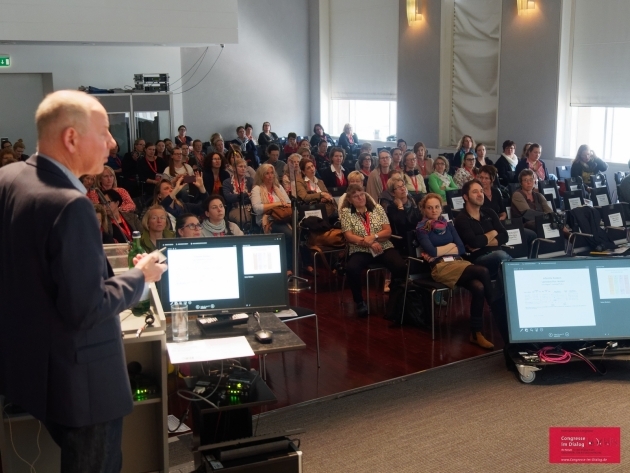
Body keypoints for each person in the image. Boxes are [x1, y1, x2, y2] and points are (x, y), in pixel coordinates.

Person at [0, 90, 167, 472]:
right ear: (71, 138)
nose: (112, 143)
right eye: (104, 131)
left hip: (32, 367)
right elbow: (86, 307)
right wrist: (141, 277)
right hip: (82, 380)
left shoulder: (9, 178)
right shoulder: (70, 204)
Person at [416, 193, 494, 349]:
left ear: (441, 208)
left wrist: (444, 249)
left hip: (458, 263)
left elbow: (460, 248)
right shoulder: (422, 228)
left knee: (479, 287)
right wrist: (450, 247)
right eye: (429, 208)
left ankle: (476, 333)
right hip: (440, 267)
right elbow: (432, 251)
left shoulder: (448, 224)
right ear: (424, 210)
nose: (434, 210)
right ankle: (497, 308)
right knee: (483, 271)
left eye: (437, 207)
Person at [340, 184, 407, 317]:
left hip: (383, 246)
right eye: (356, 196)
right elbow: (349, 236)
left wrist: (374, 237)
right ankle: (359, 302)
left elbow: (387, 231)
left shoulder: (377, 208)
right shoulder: (346, 212)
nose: (360, 198)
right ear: (350, 200)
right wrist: (369, 243)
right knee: (352, 268)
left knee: (400, 266)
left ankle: (395, 297)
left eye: (362, 194)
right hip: (360, 248)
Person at [454, 180, 512, 280]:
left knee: (501, 258)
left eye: (481, 191)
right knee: (501, 256)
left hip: (496, 253)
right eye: (475, 192)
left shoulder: (490, 212)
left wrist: (482, 243)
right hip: (476, 259)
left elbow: (505, 236)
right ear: (466, 197)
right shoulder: (461, 219)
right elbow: (474, 243)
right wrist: (494, 232)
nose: (480, 194)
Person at [251, 163, 293, 271]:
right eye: (267, 174)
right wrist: (277, 204)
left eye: (272, 173)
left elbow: (288, 203)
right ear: (261, 175)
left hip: (283, 217)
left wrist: (279, 205)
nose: (270, 176)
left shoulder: (278, 187)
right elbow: (257, 209)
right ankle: (288, 267)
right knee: (289, 234)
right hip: (267, 219)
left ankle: (302, 264)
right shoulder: (257, 189)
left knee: (301, 230)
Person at [385, 176, 422, 253]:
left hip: (420, 234)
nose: (403, 189)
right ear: (393, 193)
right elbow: (401, 223)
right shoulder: (391, 208)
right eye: (398, 187)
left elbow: (420, 219)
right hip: (405, 239)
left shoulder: (416, 201)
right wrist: (400, 206)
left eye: (403, 185)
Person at [223, 157, 254, 226]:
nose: (243, 168)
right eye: (240, 166)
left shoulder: (250, 180)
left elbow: (253, 197)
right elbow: (228, 198)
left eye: (245, 167)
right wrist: (246, 195)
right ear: (234, 168)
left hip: (249, 208)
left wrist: (236, 198)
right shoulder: (227, 182)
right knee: (243, 219)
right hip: (234, 208)